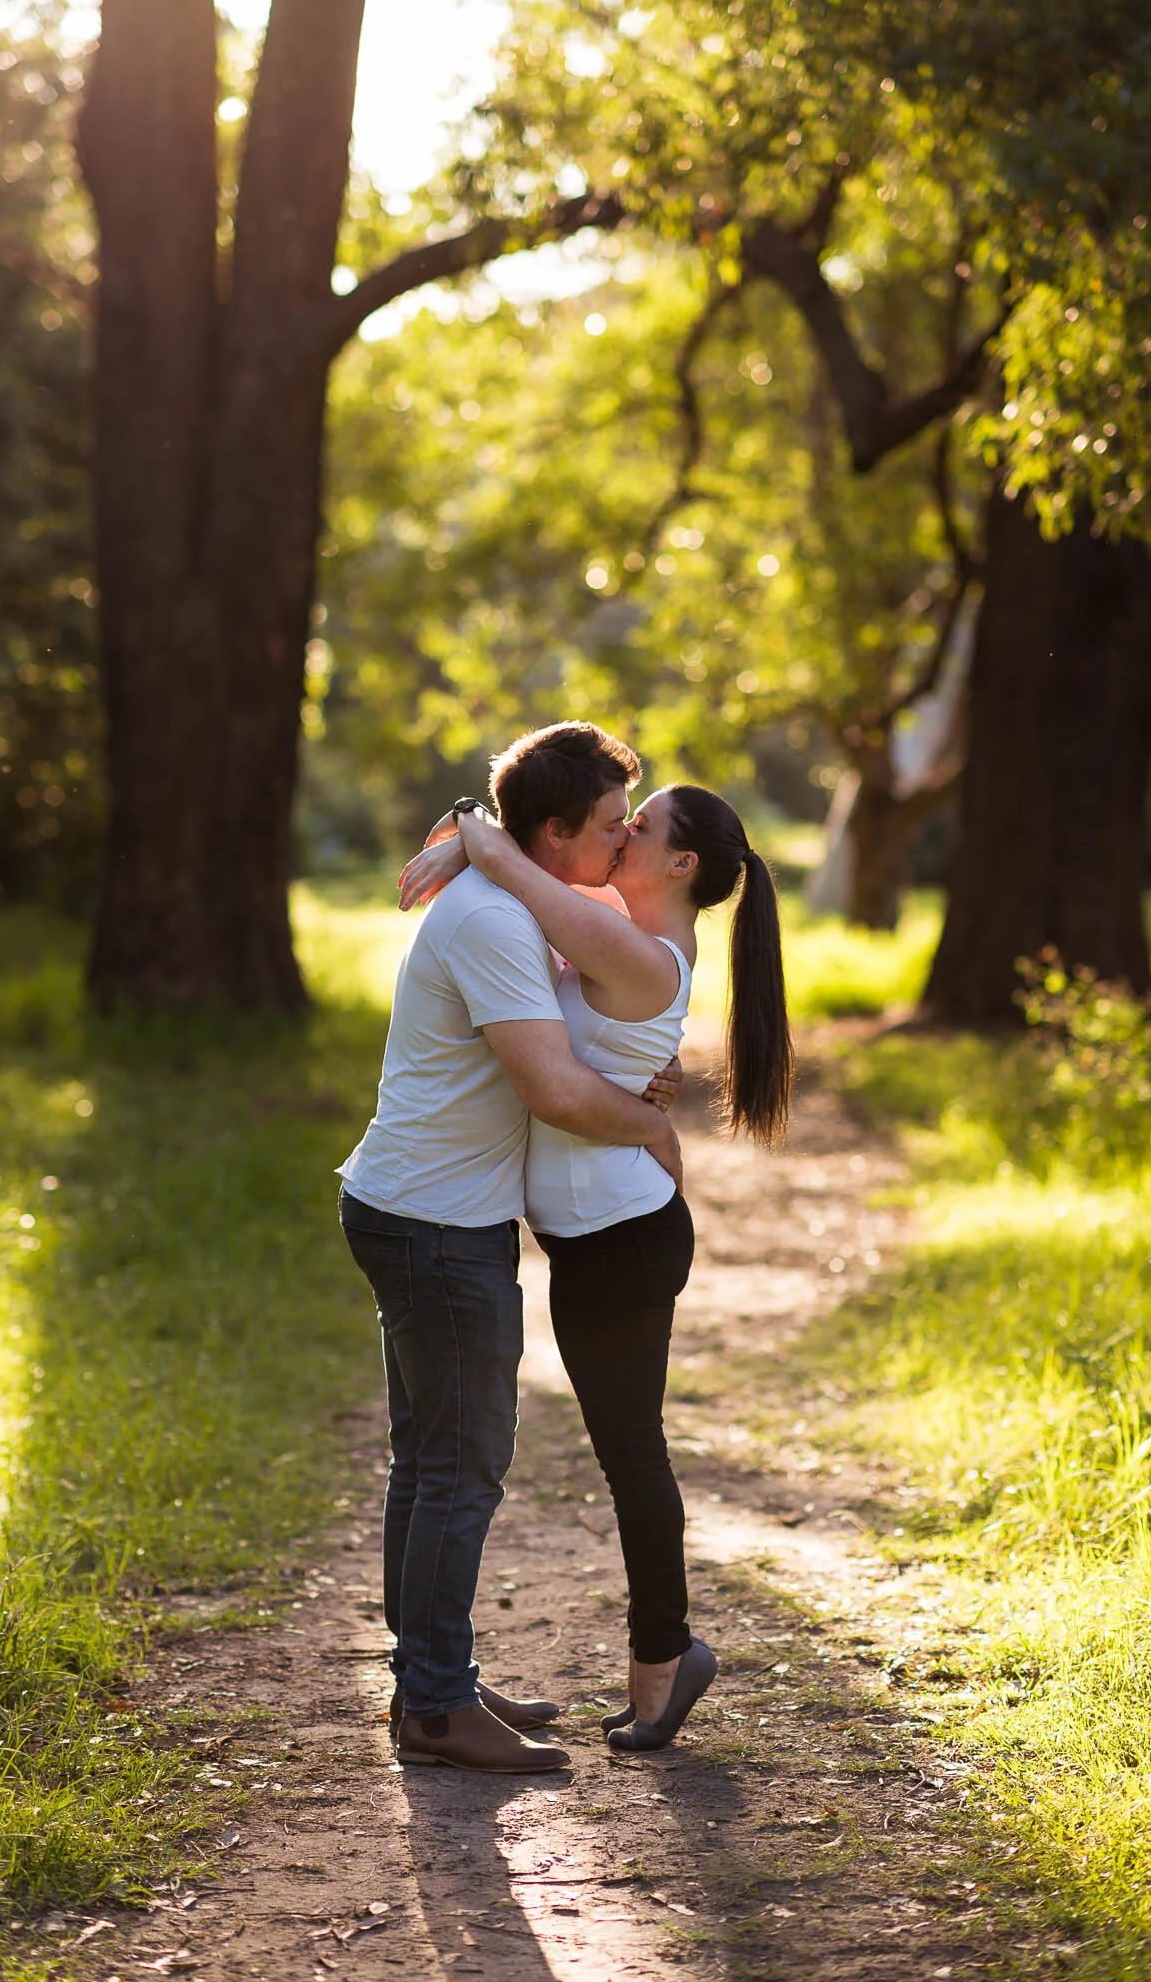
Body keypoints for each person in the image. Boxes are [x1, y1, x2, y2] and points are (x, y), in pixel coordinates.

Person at [398, 780, 793, 1752]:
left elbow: (515, 865)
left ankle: (664, 1660)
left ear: (681, 864)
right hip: (594, 1238)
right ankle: (652, 1658)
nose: (620, 833)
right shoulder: (621, 929)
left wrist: (468, 839)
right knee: (627, 1455)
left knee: (631, 1457)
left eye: (639, 826)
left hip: (620, 1242)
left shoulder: (644, 956)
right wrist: (465, 837)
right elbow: (533, 864)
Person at [336, 722, 683, 1776]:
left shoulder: (519, 900)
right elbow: (553, 1092)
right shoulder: (493, 918)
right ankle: (437, 1706)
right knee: (459, 1466)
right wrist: (652, 1126)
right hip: (436, 1225)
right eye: (611, 825)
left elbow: (575, 1036)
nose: (624, 841)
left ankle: (428, 1676)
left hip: (424, 1209)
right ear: (555, 832)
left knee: (428, 1461)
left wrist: (469, 833)